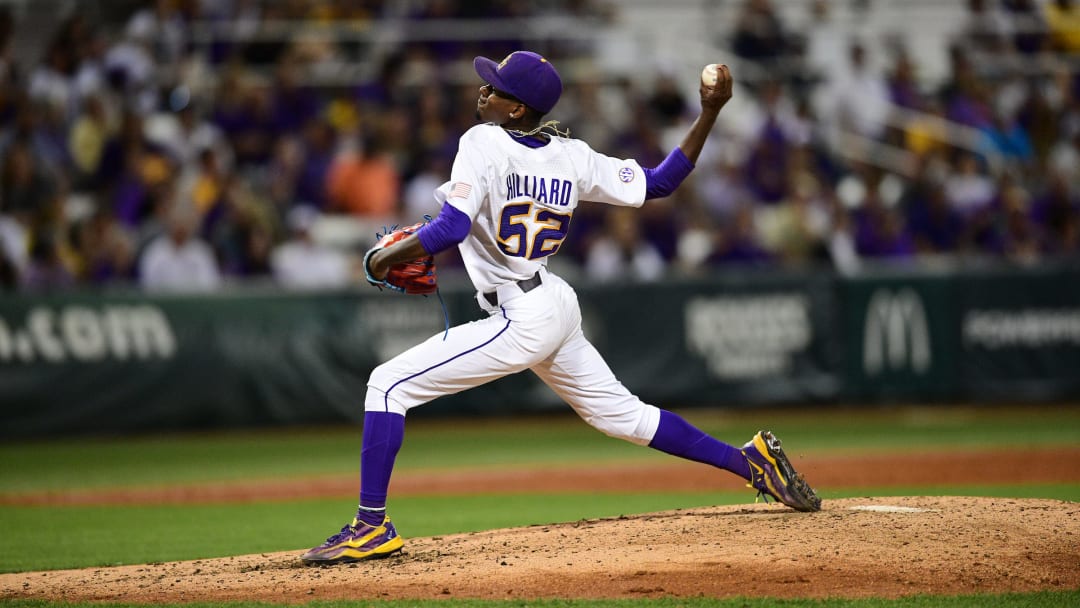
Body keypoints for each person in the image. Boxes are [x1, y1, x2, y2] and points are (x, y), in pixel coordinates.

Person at [301, 51, 821, 564]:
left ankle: (371, 526)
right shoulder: (570, 155)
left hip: (521, 316)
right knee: (626, 418)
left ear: (517, 110)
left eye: (497, 89)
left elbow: (451, 228)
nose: (484, 91)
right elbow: (661, 181)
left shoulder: (481, 141)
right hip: (551, 300)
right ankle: (751, 463)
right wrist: (709, 113)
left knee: (387, 385)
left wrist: (381, 258)